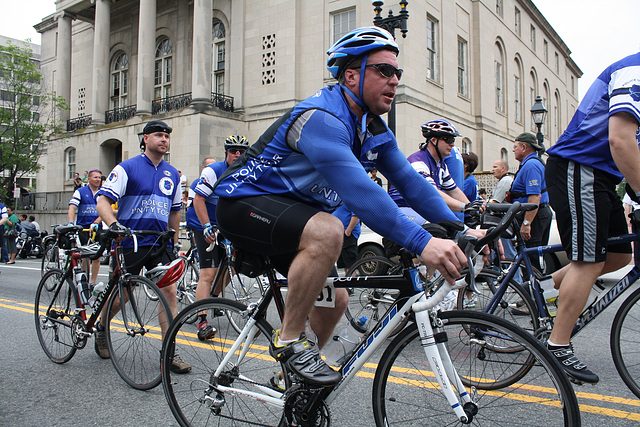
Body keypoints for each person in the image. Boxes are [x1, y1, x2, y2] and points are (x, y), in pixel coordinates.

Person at [212, 27, 474, 386]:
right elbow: (362, 194)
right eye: (384, 70)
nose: (394, 80)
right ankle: (289, 341)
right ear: (352, 74)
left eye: (397, 72)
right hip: (244, 205)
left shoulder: (372, 128)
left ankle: (293, 382)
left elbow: (410, 183)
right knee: (328, 230)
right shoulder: (323, 117)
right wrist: (423, 243)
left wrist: (459, 227)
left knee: (336, 300)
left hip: (290, 215)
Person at [544, 52, 640, 384]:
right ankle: (557, 345)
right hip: (579, 166)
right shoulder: (634, 71)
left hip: (603, 175)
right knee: (589, 259)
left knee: (619, 255)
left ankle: (546, 290)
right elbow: (620, 139)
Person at [96, 120, 191, 374]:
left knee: (169, 292)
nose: (164, 140)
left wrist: (173, 241)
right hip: (130, 242)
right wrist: (113, 224)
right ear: (145, 139)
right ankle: (102, 327)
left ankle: (170, 351)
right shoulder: (127, 168)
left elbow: (174, 212)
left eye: (167, 136)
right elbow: (103, 201)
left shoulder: (173, 174)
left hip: (158, 244)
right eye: (159, 135)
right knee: (124, 295)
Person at [189, 136, 248, 340]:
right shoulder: (213, 171)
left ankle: (213, 298)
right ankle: (202, 320)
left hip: (225, 224)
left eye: (241, 151)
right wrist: (206, 226)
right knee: (209, 272)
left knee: (232, 266)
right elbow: (199, 199)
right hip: (203, 221)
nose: (237, 155)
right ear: (226, 152)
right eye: (233, 151)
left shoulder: (246, 171)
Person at [388, 119, 482, 225]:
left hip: (420, 209)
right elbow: (432, 193)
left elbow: (454, 191)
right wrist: (465, 207)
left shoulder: (441, 165)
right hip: (401, 208)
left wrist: (474, 208)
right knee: (433, 228)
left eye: (453, 140)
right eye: (448, 139)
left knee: (458, 227)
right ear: (433, 140)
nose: (452, 144)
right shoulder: (418, 162)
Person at [510, 132, 552, 270]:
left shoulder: (531, 166)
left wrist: (527, 223)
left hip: (535, 215)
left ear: (524, 147)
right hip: (537, 214)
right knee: (533, 257)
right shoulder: (530, 163)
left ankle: (532, 289)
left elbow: (535, 197)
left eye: (515, 146)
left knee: (532, 259)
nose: (513, 150)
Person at [68, 169, 103, 284]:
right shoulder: (80, 191)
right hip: (83, 228)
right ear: (88, 179)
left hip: (97, 228)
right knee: (85, 256)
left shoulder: (102, 193)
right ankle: (84, 279)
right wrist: (71, 223)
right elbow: (72, 207)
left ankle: (93, 282)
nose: (98, 179)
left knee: (97, 256)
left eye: (99, 177)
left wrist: (96, 223)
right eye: (95, 177)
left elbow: (104, 211)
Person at [333, 204, 360, 274]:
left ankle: (352, 282)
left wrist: (348, 230)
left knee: (350, 262)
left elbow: (356, 215)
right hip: (340, 233)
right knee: (345, 262)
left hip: (348, 234)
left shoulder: (351, 200)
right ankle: (348, 281)